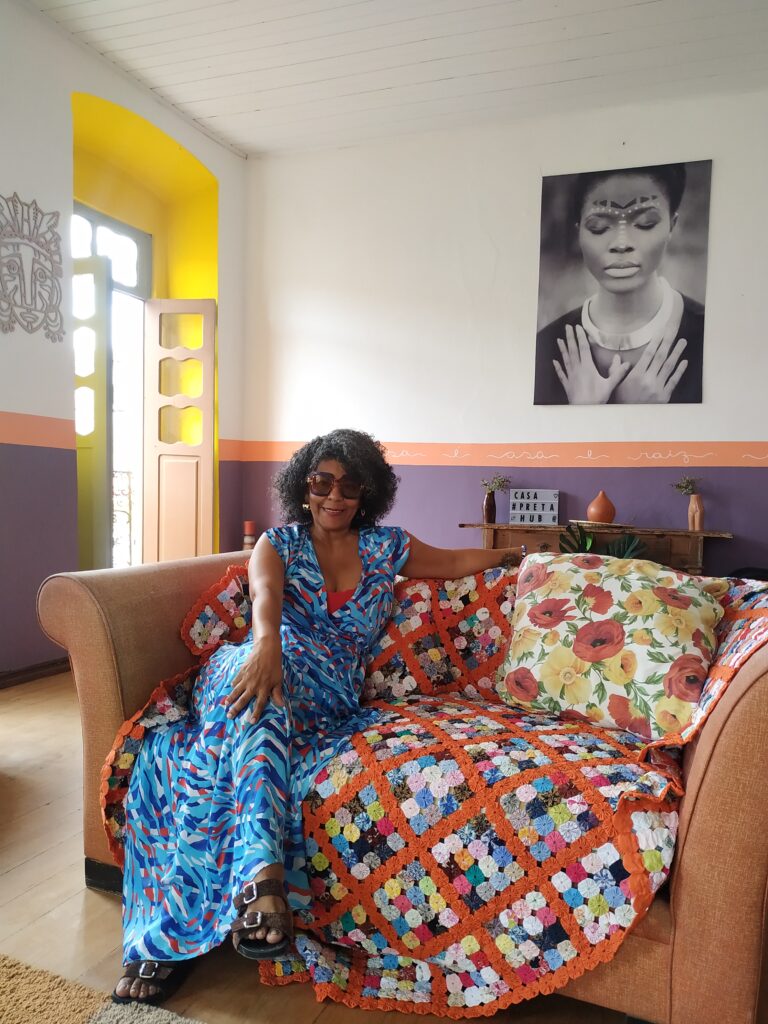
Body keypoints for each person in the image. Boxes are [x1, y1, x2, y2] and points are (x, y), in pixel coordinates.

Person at [113, 428, 522, 1004]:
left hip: (325, 688)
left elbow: (454, 560)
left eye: (349, 485)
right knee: (260, 702)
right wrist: (266, 648)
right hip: (255, 662)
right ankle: (262, 880)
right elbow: (265, 601)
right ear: (302, 487)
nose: (335, 495)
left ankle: (169, 937)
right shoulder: (277, 543)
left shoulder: (387, 547)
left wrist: (514, 555)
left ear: (367, 492)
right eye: (321, 482)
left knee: (216, 745)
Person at [534, 163, 704, 405]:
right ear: (579, 232)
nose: (621, 244)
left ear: (671, 226)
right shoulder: (544, 348)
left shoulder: (714, 338)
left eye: (645, 223)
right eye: (599, 227)